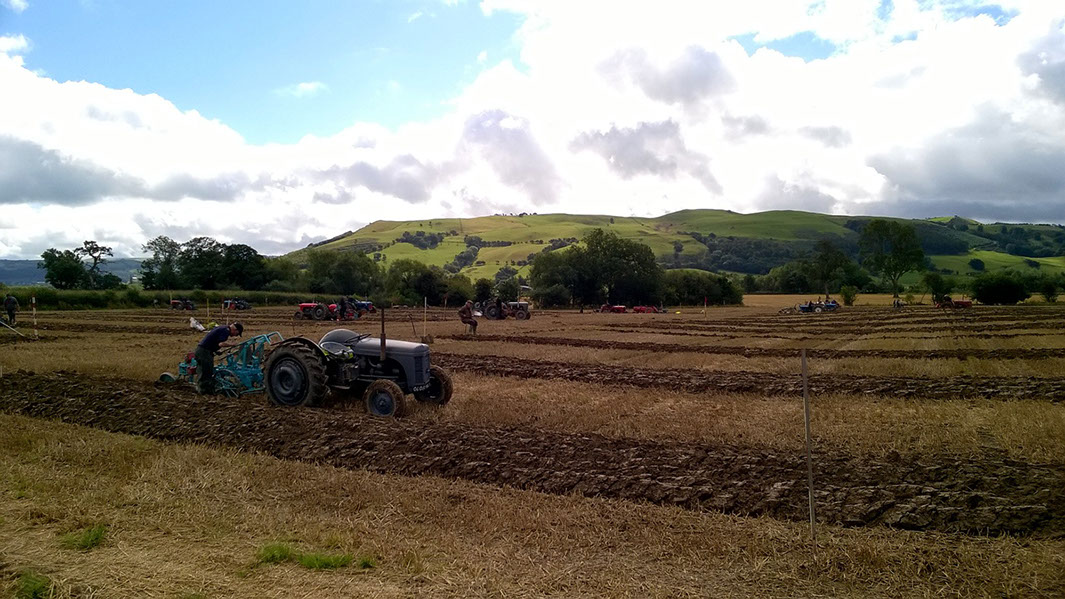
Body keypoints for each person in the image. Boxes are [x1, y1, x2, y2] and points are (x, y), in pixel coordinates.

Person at [195, 321, 243, 394]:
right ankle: (204, 391)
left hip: (203, 350)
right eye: (237, 334)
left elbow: (214, 341)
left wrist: (215, 350)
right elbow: (221, 343)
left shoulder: (223, 328)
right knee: (206, 370)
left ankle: (205, 388)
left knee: (205, 369)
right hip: (204, 351)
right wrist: (232, 344)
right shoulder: (226, 331)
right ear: (235, 330)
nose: (234, 336)